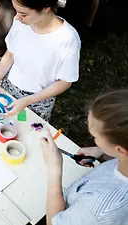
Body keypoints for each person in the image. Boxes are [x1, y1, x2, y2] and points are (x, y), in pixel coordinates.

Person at [0, 0, 81, 121]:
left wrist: (27, 100)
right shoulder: (20, 23)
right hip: (9, 87)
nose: (17, 17)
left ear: (45, 9)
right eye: (16, 11)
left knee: (27, 134)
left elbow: (65, 81)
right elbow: (10, 54)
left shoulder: (68, 38)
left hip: (38, 101)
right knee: (3, 125)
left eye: (23, 14)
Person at [40, 89, 128, 225]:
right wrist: (102, 151)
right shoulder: (123, 156)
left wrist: (54, 170)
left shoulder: (101, 209)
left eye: (95, 137)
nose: (94, 140)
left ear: (120, 149)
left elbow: (52, 223)